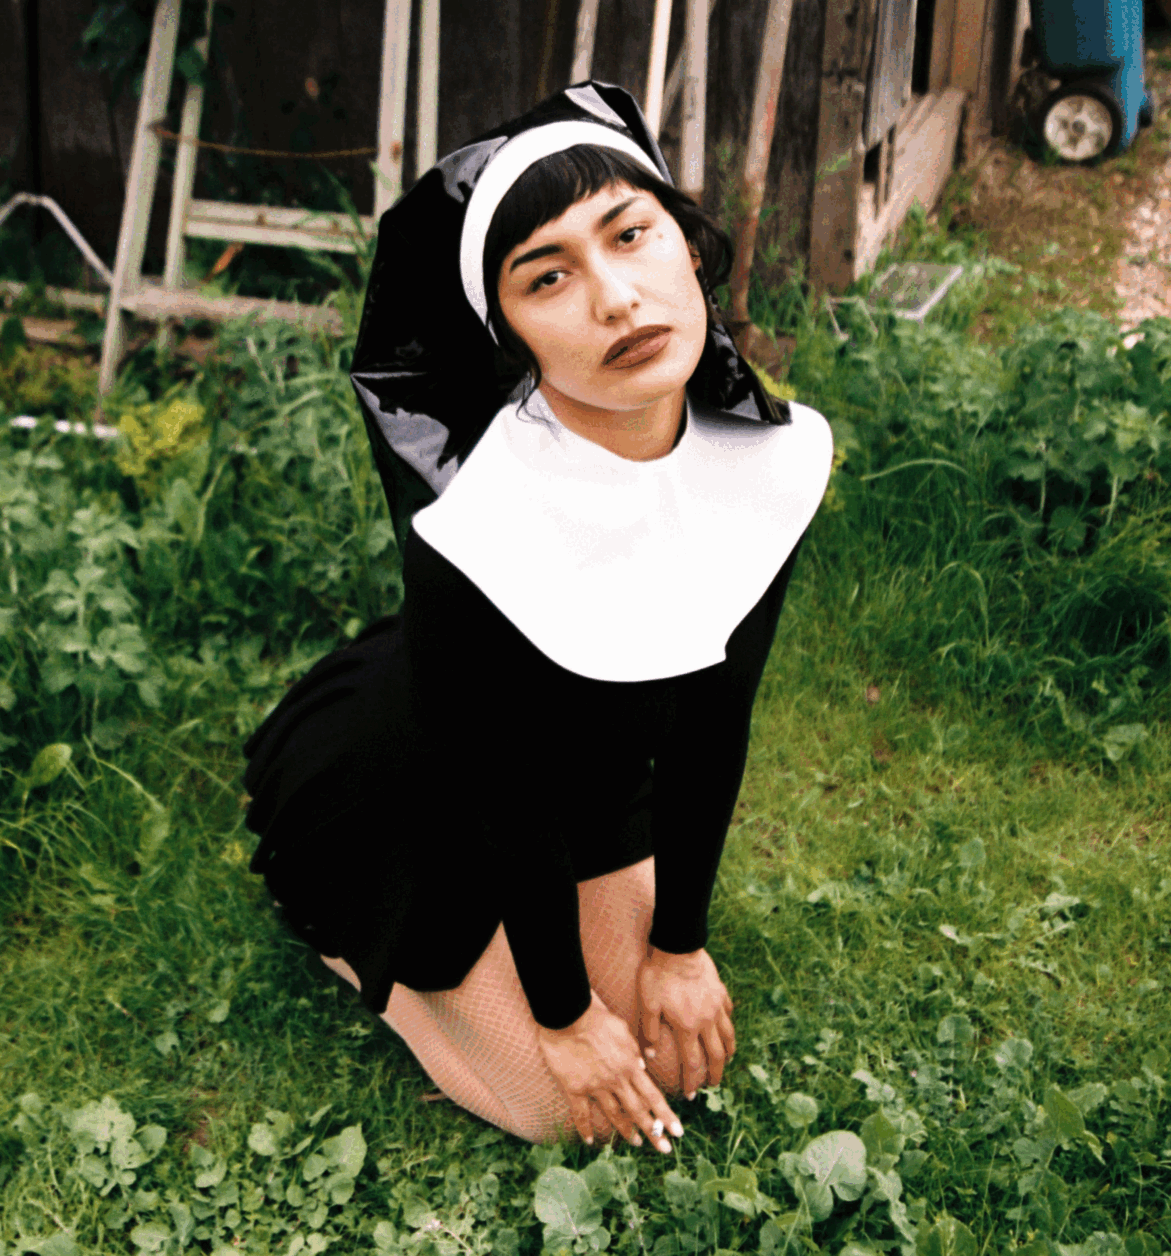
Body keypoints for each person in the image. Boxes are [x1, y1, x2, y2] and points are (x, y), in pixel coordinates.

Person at [242, 83, 833, 1151]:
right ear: (507, 332)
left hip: (595, 777)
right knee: (561, 1110)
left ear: (688, 246)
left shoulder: (765, 463)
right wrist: (561, 1019)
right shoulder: (476, 527)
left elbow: (712, 724)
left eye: (631, 233)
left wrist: (681, 946)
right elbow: (501, 794)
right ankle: (360, 936)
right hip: (429, 789)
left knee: (670, 1059)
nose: (616, 299)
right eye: (547, 275)